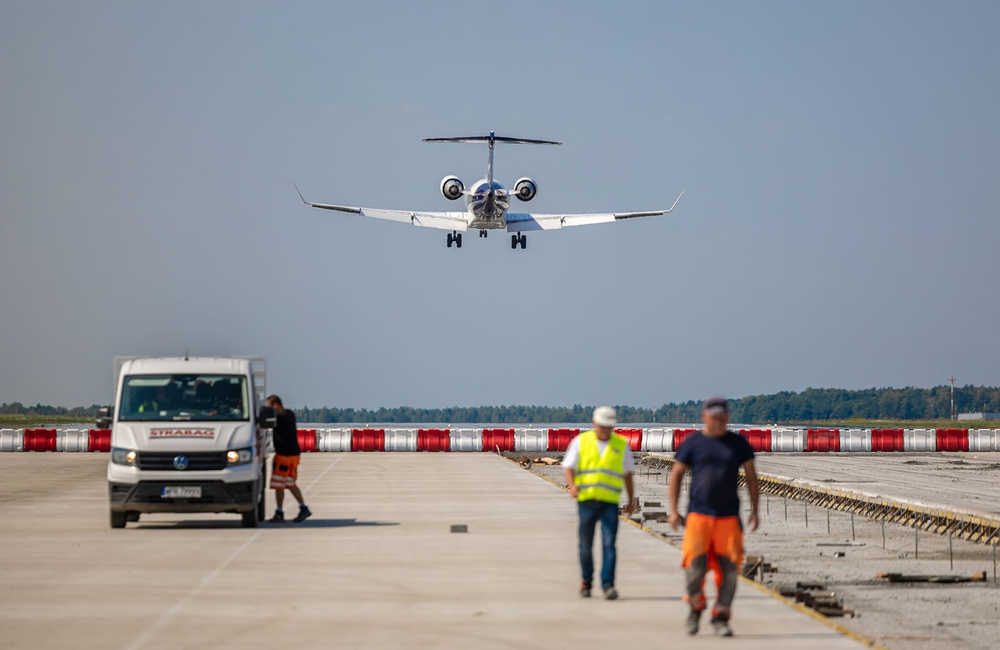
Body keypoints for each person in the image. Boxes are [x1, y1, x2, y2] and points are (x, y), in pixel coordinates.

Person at [668, 395, 759, 637]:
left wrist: (755, 511)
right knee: (694, 570)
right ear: (704, 417)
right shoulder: (693, 443)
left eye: (722, 416)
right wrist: (674, 510)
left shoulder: (738, 444)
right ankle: (695, 608)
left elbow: (751, 478)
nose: (718, 421)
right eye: (713, 416)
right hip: (698, 516)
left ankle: (721, 616)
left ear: (728, 417)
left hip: (729, 518)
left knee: (729, 572)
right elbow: (676, 474)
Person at [563, 406, 636, 600]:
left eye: (608, 427)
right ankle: (586, 581)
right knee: (585, 545)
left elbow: (628, 474)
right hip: (586, 501)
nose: (605, 430)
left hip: (609, 503)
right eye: (602, 426)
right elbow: (568, 466)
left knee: (609, 544)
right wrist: (572, 486)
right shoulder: (581, 442)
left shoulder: (621, 445)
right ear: (594, 424)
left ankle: (608, 585)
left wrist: (630, 501)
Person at [266, 395, 312, 523]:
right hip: (294, 455)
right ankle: (303, 507)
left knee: (278, 485)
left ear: (276, 405)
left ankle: (279, 512)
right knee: (290, 483)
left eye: (270, 407)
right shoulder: (289, 414)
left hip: (284, 456)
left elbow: (264, 423)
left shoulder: (278, 417)